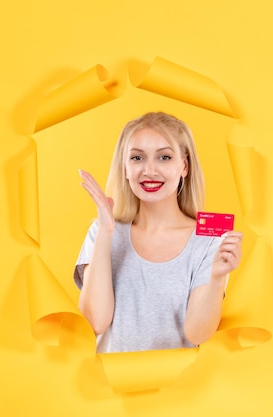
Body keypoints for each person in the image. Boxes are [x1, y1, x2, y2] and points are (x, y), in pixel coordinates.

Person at [73, 111, 242, 353]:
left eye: (164, 157)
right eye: (137, 158)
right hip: (112, 386)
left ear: (184, 166)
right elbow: (95, 322)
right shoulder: (102, 231)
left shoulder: (210, 239)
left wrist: (216, 279)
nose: (149, 170)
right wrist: (106, 232)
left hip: (183, 388)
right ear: (125, 168)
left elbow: (197, 333)